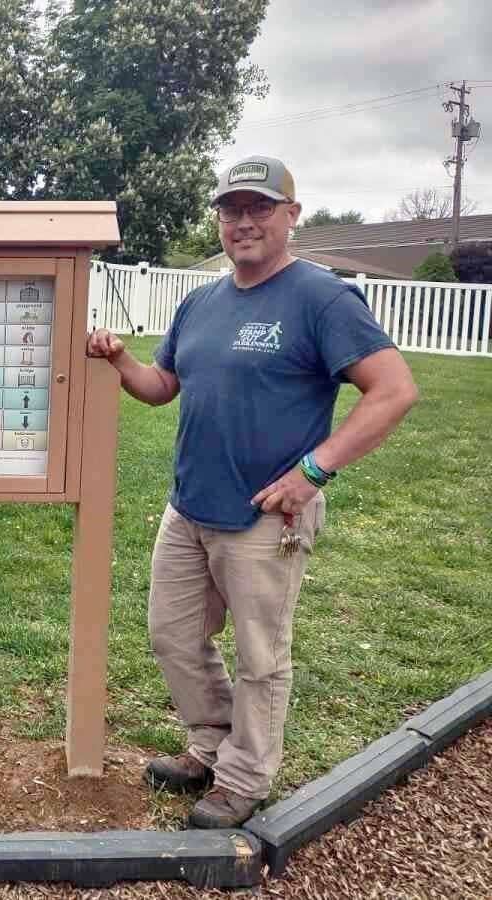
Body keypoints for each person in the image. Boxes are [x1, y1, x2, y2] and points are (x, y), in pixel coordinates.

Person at [86, 156, 418, 828]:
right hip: (189, 508)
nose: (243, 222)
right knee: (173, 636)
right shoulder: (201, 301)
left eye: (259, 208)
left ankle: (243, 778)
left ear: (291, 216)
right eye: (231, 209)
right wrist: (121, 361)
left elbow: (394, 390)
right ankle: (209, 746)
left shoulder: (321, 298)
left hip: (266, 516)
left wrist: (314, 471)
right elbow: (161, 388)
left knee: (261, 656)